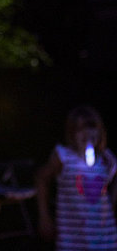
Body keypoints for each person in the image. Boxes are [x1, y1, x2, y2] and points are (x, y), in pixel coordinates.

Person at [36, 105, 117, 250]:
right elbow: (41, 179)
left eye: (92, 128)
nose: (87, 133)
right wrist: (44, 217)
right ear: (72, 133)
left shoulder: (106, 159)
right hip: (72, 238)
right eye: (81, 129)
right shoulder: (63, 157)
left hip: (104, 238)